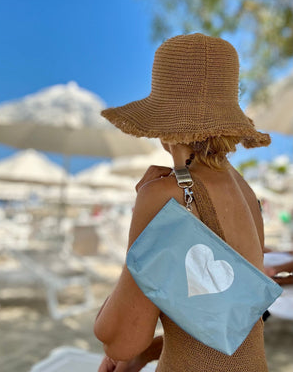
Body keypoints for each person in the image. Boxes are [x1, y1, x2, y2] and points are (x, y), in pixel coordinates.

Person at [94, 33, 271, 371]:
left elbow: (118, 339)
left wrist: (141, 230)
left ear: (163, 122)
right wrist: (144, 354)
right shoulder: (246, 192)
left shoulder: (164, 194)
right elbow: (226, 322)